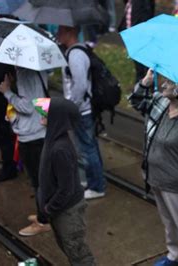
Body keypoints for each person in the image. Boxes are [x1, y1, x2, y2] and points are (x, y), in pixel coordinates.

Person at [128, 70, 178, 266]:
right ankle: (174, 255)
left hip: (176, 182)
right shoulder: (159, 102)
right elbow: (135, 101)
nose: (162, 85)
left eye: (168, 82)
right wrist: (146, 81)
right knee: (168, 222)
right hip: (155, 176)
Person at [33, 97, 95, 265]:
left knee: (77, 252)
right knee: (68, 248)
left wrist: (49, 208)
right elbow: (36, 102)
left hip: (67, 212)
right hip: (59, 210)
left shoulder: (60, 149)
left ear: (57, 118)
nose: (41, 113)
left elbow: (66, 188)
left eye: (46, 112)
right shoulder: (52, 138)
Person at [0, 68, 51, 236]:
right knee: (43, 179)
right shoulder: (38, 68)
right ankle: (45, 214)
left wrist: (7, 92)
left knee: (38, 182)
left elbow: (27, 107)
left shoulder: (23, 73)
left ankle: (44, 221)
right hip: (40, 130)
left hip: (31, 135)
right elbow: (41, 99)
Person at [57, 26, 106, 200]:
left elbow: (80, 86)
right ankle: (94, 180)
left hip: (81, 110)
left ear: (71, 32)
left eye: (61, 31)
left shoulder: (76, 55)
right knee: (88, 146)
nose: (57, 34)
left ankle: (96, 186)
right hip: (83, 108)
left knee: (87, 149)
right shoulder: (77, 51)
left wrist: (72, 107)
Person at [118, 0, 155, 82]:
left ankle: (143, 86)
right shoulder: (131, 2)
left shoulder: (143, 3)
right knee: (139, 66)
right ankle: (141, 85)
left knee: (143, 66)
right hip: (132, 35)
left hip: (139, 35)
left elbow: (147, 15)